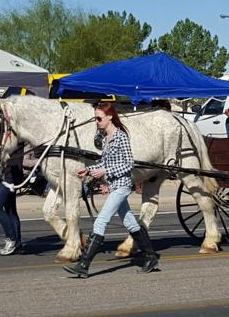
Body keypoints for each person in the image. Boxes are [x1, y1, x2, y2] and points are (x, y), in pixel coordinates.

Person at [64, 102, 159, 278]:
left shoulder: (120, 136)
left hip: (121, 186)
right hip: (115, 185)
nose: (97, 121)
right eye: (95, 118)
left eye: (99, 118)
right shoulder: (106, 137)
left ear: (109, 117)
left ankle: (83, 265)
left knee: (100, 222)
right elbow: (105, 163)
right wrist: (89, 171)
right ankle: (150, 257)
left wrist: (106, 171)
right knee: (130, 223)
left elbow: (129, 163)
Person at [0, 143, 25, 255]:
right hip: (6, 177)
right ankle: (18, 244)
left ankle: (11, 238)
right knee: (11, 211)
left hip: (9, 178)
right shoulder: (7, 139)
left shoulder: (15, 141)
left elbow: (16, 161)